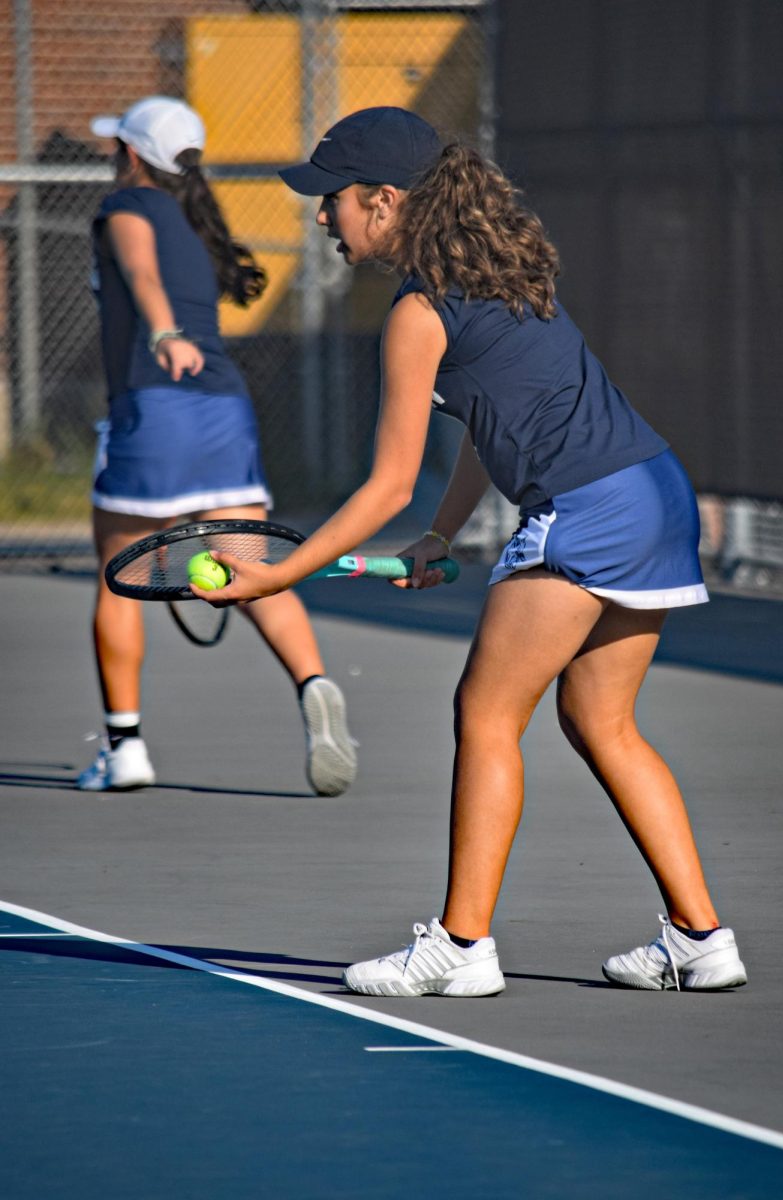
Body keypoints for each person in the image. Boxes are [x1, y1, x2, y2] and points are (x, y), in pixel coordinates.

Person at [199, 106, 747, 994]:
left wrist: (281, 574)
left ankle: (460, 948)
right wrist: (441, 533)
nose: (321, 217)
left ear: (383, 202)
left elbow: (383, 484)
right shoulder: (505, 274)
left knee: (486, 715)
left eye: (330, 200)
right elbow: (488, 427)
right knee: (600, 721)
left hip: (590, 509)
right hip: (657, 495)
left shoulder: (419, 313)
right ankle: (701, 938)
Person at [79, 95, 357, 798]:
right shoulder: (199, 223)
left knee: (117, 576)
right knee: (252, 568)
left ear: (132, 154)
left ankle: (124, 747)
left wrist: (164, 333)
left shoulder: (126, 210)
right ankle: (315, 683)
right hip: (225, 413)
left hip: (155, 405)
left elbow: (140, 276)